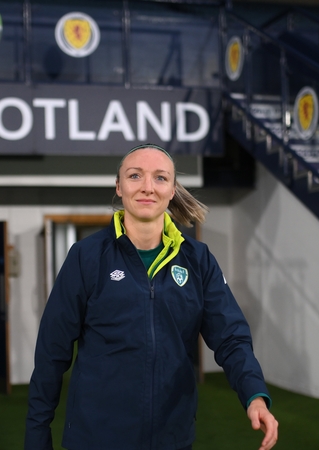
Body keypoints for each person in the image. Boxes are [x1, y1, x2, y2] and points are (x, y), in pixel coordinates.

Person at [25, 144, 278, 450]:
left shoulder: (197, 260)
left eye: (160, 178)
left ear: (172, 190)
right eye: (135, 176)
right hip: (96, 438)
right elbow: (52, 352)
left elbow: (231, 337)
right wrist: (37, 434)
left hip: (172, 438)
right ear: (119, 187)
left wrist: (254, 394)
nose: (147, 187)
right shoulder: (86, 257)